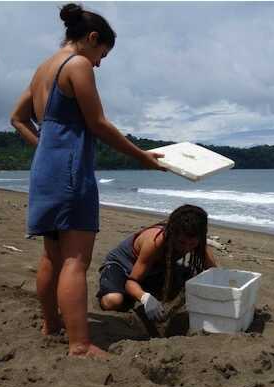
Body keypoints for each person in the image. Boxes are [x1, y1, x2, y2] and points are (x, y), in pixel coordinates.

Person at [10, 3, 164, 358]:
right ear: (92, 38)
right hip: (70, 172)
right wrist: (142, 157)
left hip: (45, 170)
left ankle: (51, 324)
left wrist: (44, 146)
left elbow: (17, 117)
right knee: (76, 259)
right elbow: (98, 124)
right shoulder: (77, 64)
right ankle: (79, 344)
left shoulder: (42, 70)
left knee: (52, 255)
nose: (98, 64)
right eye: (102, 55)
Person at [97, 205, 216, 321]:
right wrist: (145, 298)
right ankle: (119, 290)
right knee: (114, 301)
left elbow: (214, 275)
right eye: (181, 242)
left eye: (192, 244)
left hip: (155, 269)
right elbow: (131, 281)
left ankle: (137, 293)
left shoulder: (199, 243)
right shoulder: (155, 241)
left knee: (190, 283)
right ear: (173, 234)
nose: (186, 248)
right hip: (124, 267)